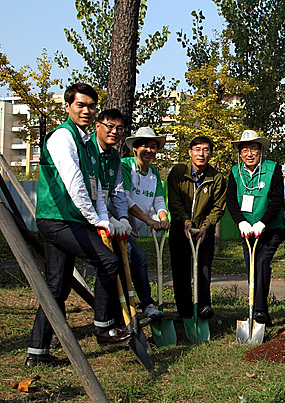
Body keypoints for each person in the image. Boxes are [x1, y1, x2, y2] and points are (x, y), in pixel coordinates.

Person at [27, 83, 132, 368]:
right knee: (109, 262)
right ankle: (103, 327)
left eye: (91, 106)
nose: (86, 110)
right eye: (80, 105)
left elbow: (95, 188)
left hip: (71, 221)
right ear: (68, 106)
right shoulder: (63, 137)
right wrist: (96, 219)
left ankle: (37, 352)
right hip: (57, 220)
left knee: (57, 288)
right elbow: (75, 184)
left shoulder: (86, 144)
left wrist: (105, 218)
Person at [227, 129, 285, 326]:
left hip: (270, 229)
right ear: (240, 153)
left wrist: (262, 223)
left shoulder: (273, 169)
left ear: (261, 151)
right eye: (245, 150)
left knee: (261, 262)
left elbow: (277, 200)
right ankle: (259, 312)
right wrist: (242, 222)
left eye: (253, 149)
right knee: (251, 267)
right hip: (247, 231)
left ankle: (259, 310)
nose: (249, 154)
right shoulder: (235, 172)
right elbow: (231, 202)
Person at [167, 136, 227, 320]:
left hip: (203, 234)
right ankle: (184, 312)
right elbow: (174, 201)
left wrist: (205, 226)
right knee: (181, 273)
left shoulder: (216, 178)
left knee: (203, 270)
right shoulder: (178, 172)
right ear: (190, 152)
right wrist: (185, 222)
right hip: (180, 232)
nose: (201, 154)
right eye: (197, 149)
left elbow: (218, 207)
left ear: (210, 153)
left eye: (206, 150)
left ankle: (203, 308)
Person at [121, 127, 170, 319]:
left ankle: (134, 304)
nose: (149, 150)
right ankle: (144, 304)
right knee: (138, 258)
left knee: (134, 260)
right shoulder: (125, 167)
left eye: (153, 147)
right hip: (117, 226)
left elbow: (158, 200)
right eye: (144, 146)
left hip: (132, 231)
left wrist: (163, 219)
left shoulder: (153, 174)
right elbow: (125, 200)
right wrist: (149, 220)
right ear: (134, 148)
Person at [91, 109, 132, 239]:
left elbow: (118, 190)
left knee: (138, 256)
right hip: (86, 215)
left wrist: (123, 218)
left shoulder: (114, 156)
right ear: (98, 126)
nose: (114, 132)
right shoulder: (86, 148)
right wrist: (109, 218)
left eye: (119, 128)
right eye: (110, 126)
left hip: (105, 216)